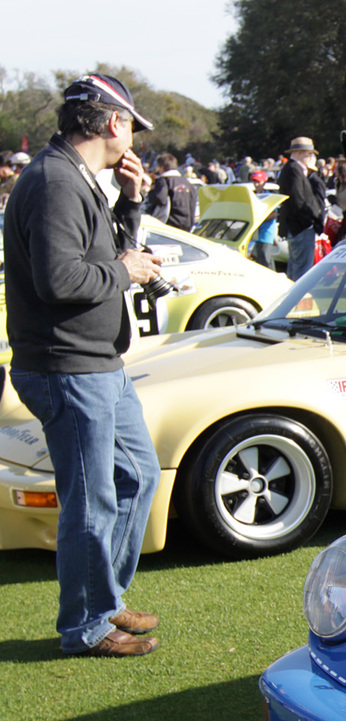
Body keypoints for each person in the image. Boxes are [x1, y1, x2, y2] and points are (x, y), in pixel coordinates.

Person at [3, 74, 164, 657]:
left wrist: (133, 202)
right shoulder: (52, 181)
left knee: (138, 475)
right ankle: (85, 626)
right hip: (67, 367)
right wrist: (128, 271)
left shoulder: (70, 177)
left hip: (95, 362)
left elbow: (98, 253)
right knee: (91, 500)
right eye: (130, 128)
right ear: (113, 123)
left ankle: (105, 601)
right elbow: (61, 280)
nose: (132, 141)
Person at [278, 136, 325, 280]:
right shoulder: (294, 169)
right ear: (298, 153)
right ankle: (298, 302)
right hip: (300, 227)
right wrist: (309, 221)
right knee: (302, 271)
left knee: (296, 267)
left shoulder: (292, 169)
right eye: (308, 153)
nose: (311, 157)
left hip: (296, 226)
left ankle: (292, 300)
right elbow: (298, 201)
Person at [144, 152, 199, 229]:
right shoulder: (187, 183)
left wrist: (151, 192)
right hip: (187, 225)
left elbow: (160, 199)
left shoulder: (164, 181)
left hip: (170, 224)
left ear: (162, 167)